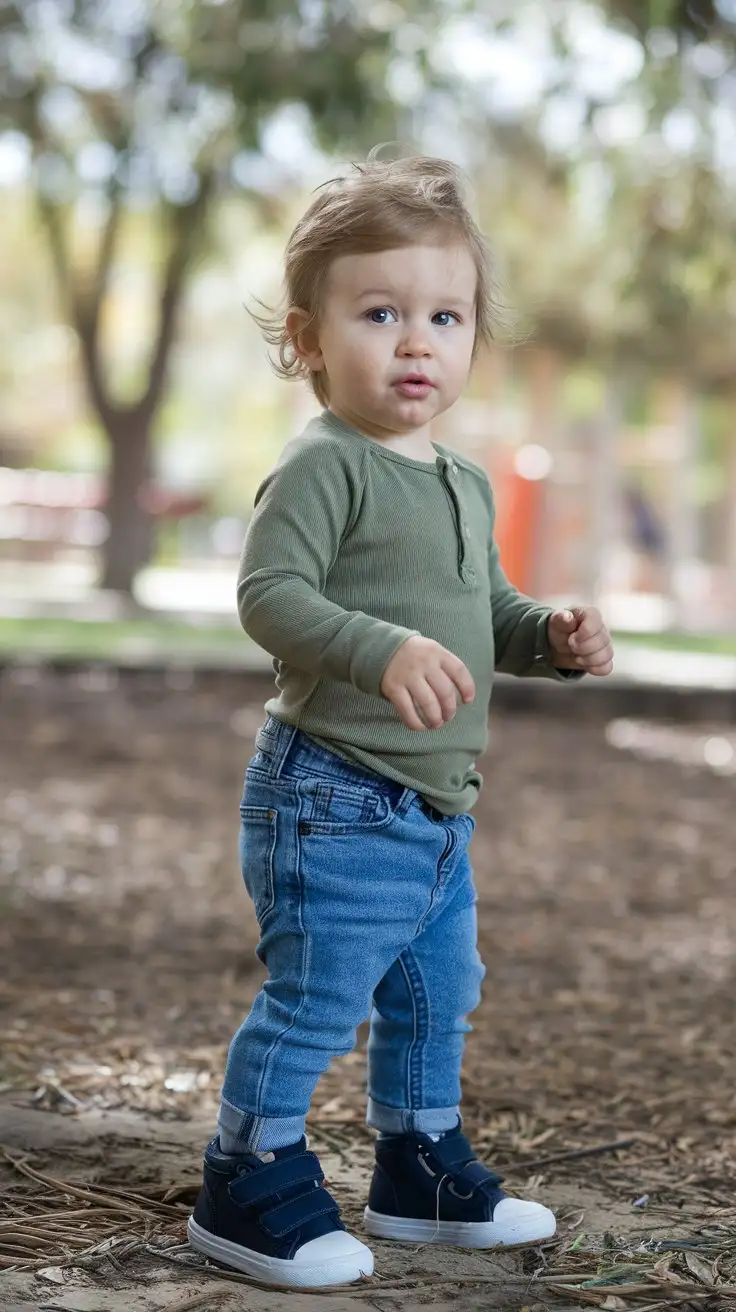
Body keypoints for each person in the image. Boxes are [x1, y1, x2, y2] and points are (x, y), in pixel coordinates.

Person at [188, 154, 614, 1289]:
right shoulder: (323, 464)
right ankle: (247, 1169)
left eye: (444, 315)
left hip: (433, 814)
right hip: (331, 792)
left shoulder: (463, 480)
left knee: (437, 992)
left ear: (474, 334)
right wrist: (378, 649)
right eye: (380, 313)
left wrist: (551, 638)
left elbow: (488, 615)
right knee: (320, 992)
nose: (416, 340)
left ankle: (415, 1162)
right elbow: (269, 597)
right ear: (310, 338)